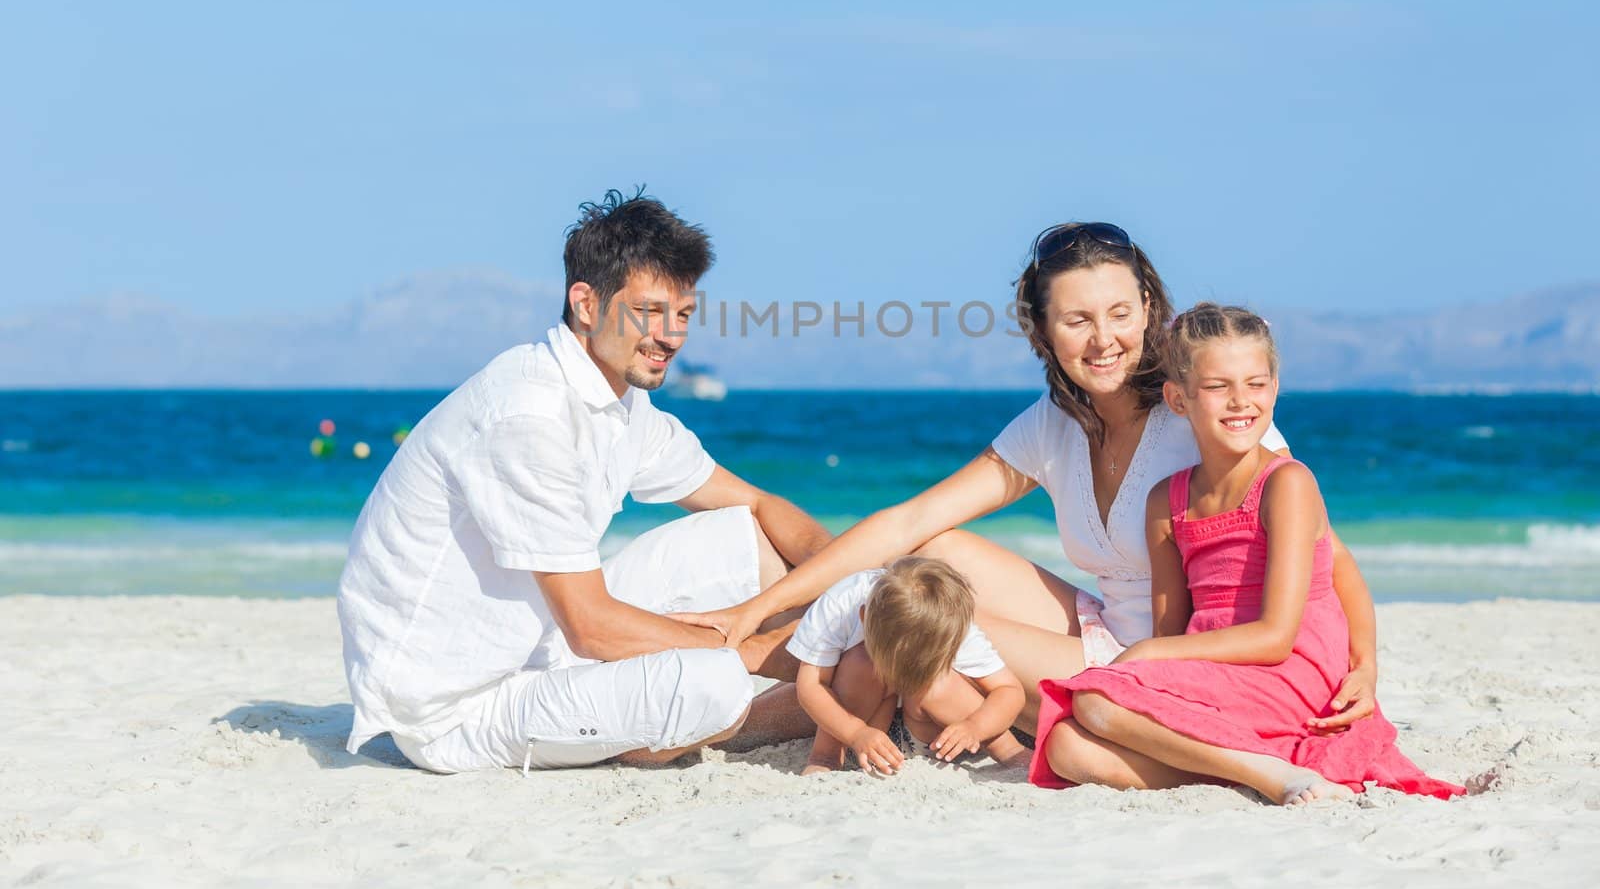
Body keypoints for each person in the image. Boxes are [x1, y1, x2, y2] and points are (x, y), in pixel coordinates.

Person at [678, 223, 1381, 734]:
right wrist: (762, 600)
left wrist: (1364, 666)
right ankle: (737, 639)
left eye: (1120, 314)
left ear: (1149, 311)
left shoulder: (1203, 409)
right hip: (1100, 624)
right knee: (934, 555)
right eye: (1077, 319)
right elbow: (906, 523)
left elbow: (1327, 551)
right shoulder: (1053, 423)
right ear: (1044, 331)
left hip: (1161, 661)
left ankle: (714, 655)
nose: (1103, 339)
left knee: (907, 622)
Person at [337, 189, 831, 774]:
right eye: (649, 312)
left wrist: (854, 585)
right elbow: (591, 625)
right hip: (455, 707)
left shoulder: (617, 401)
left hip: (544, 643)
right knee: (717, 685)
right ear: (587, 305)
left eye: (683, 315)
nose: (671, 337)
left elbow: (754, 503)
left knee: (747, 537)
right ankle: (782, 710)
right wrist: (755, 651)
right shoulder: (528, 416)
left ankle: (842, 675)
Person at [1032, 305, 1463, 803]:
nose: (1240, 401)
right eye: (1218, 387)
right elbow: (1173, 634)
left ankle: (1273, 777)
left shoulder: (1287, 484)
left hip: (1289, 670)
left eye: (1256, 384)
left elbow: (1278, 636)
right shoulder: (1165, 502)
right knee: (1066, 746)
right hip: (1219, 670)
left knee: (1095, 702)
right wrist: (1153, 659)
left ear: (1275, 389)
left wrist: (1365, 666)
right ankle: (1247, 766)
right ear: (1178, 398)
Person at [787, 557, 1030, 776]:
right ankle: (826, 757)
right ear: (864, 617)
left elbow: (1009, 690)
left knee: (939, 683)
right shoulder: (839, 607)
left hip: (932, 735)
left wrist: (975, 727)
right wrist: (856, 733)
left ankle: (1011, 753)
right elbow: (810, 686)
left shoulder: (947, 624)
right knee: (862, 662)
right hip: (859, 725)